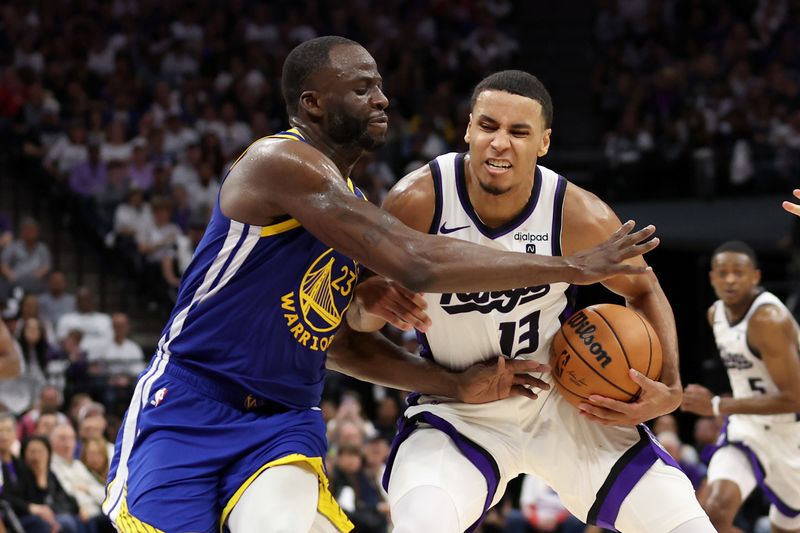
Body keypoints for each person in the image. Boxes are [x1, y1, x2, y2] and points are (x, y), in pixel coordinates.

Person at [102, 37, 659, 533]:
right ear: (312, 104)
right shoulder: (279, 162)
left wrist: (450, 383)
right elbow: (416, 261)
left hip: (282, 422)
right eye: (363, 87)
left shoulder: (351, 204)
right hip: (191, 402)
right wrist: (571, 267)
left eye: (381, 86)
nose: (382, 99)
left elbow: (339, 345)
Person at [344, 70, 713, 532]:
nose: (500, 143)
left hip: (566, 399)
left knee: (685, 525)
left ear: (543, 142)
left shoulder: (576, 212)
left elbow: (643, 288)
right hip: (458, 409)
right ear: (468, 129)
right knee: (421, 523)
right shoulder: (419, 201)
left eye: (519, 132)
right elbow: (353, 327)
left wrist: (672, 389)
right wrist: (367, 308)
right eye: (488, 126)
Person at [681, 241, 800, 533]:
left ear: (756, 277)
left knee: (786, 527)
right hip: (746, 428)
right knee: (714, 513)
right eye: (722, 273)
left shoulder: (768, 319)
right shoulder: (716, 315)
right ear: (712, 278)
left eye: (738, 272)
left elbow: (794, 398)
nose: (730, 279)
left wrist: (719, 406)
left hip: (790, 432)